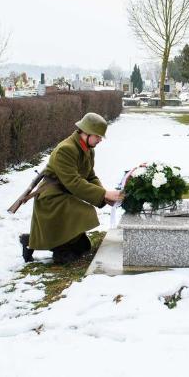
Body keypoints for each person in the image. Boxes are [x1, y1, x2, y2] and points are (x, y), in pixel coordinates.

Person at [19, 113, 123, 264]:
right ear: (86, 133)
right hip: (51, 197)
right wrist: (104, 194)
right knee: (84, 213)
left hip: (65, 194)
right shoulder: (66, 149)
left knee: (83, 247)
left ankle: (31, 240)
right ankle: (57, 249)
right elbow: (73, 182)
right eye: (98, 136)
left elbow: (90, 176)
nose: (100, 140)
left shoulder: (87, 148)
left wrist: (105, 196)